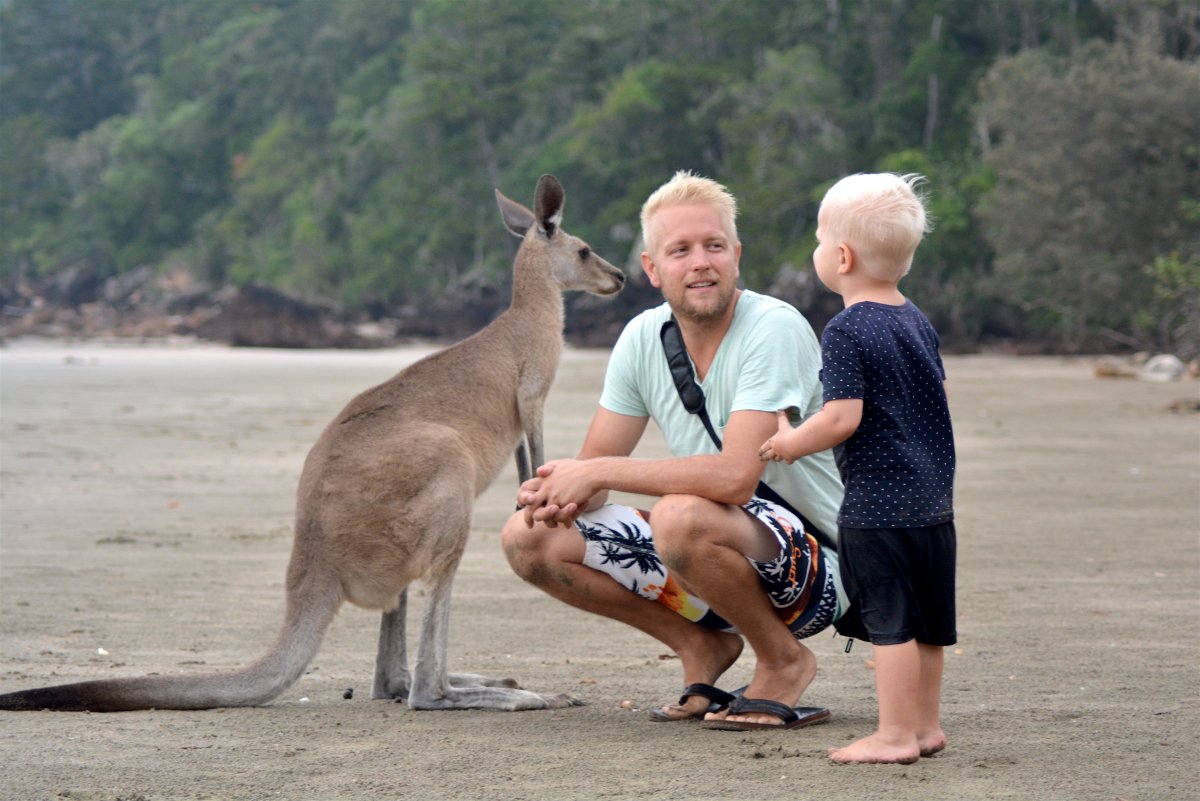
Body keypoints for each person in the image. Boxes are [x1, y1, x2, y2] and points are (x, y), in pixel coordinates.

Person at [501, 170, 847, 731]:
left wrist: (596, 472)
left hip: (818, 565)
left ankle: (783, 659)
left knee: (680, 514)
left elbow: (736, 478)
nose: (700, 262)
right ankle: (700, 648)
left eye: (713, 246)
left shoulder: (773, 328)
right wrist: (553, 492)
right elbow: (594, 481)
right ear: (653, 269)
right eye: (680, 250)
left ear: (736, 256)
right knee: (528, 535)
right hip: (705, 559)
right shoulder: (642, 337)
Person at [759, 172, 956, 763]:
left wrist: (791, 442)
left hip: (877, 506)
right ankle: (925, 727)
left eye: (819, 241)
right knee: (928, 623)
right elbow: (934, 402)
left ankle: (894, 736)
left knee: (891, 623)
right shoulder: (915, 319)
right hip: (932, 503)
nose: (817, 251)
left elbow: (841, 417)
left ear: (840, 256)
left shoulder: (846, 329)